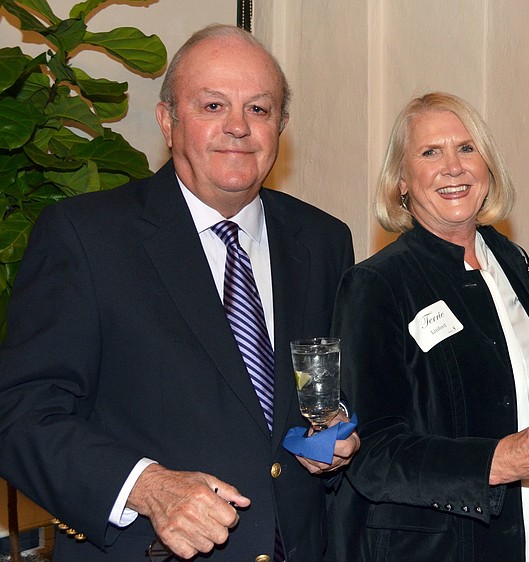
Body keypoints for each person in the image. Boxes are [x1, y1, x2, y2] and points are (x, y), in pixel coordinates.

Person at [0, 24, 359, 561]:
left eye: (258, 110)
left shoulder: (324, 240)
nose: (238, 127)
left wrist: (334, 430)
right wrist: (146, 487)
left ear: (281, 126)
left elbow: (323, 384)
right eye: (213, 105)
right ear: (167, 121)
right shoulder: (87, 237)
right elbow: (20, 412)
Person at [326, 91, 529, 562]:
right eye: (430, 152)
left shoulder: (511, 261)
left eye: (466, 148)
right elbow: (373, 454)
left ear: (488, 167)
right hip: (435, 547)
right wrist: (496, 461)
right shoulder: (376, 284)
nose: (453, 167)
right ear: (401, 181)